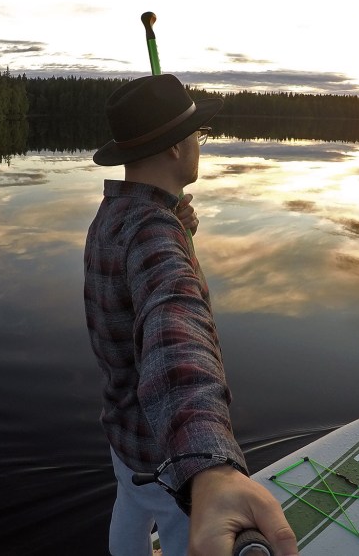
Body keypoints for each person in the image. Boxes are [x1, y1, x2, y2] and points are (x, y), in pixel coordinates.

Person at [84, 74, 298, 556]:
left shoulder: (112, 215)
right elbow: (174, 332)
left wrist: (174, 225)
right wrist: (209, 466)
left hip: (122, 431)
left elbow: (137, 279)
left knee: (131, 507)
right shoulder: (154, 236)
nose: (201, 144)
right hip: (168, 451)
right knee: (185, 536)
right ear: (178, 148)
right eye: (197, 135)